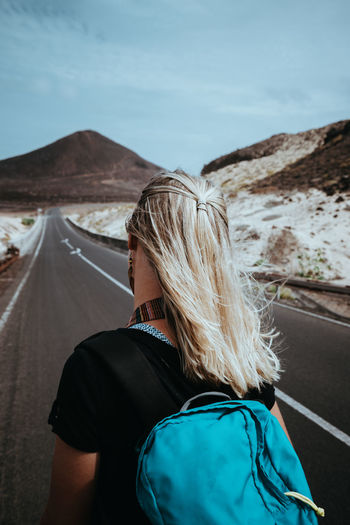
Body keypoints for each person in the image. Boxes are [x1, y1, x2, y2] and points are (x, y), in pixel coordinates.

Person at [41, 170, 290, 525]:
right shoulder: (244, 360)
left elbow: (64, 517)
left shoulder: (96, 366)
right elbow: (288, 484)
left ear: (132, 242)